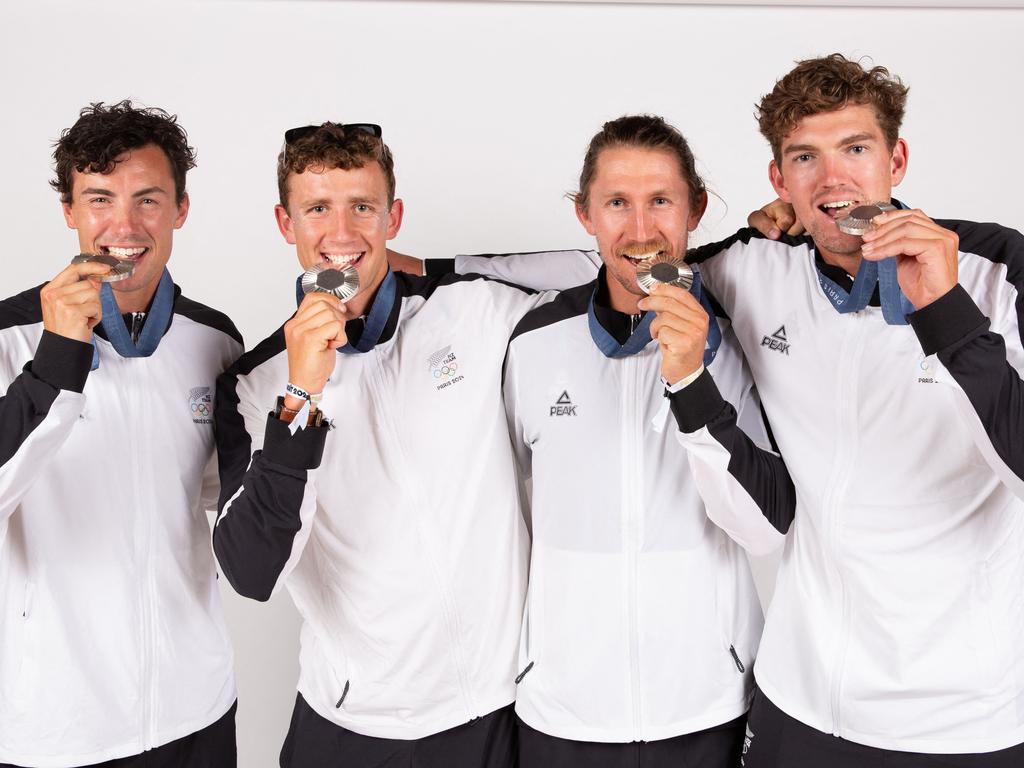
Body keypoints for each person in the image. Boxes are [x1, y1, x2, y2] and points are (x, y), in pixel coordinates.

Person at [472, 53, 1024, 766]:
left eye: (855, 149)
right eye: (805, 158)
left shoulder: (997, 268)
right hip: (800, 700)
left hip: (963, 715)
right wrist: (402, 269)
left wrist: (948, 313)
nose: (832, 179)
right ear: (779, 180)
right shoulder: (751, 266)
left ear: (897, 157)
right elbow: (624, 261)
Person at [212, 123, 554, 768]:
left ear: (392, 217)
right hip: (351, 721)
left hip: (498, 704)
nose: (342, 235)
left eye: (362, 207)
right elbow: (251, 572)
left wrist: (435, 269)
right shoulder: (254, 387)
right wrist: (302, 393)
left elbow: (603, 269)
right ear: (287, 224)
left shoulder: (474, 310)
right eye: (318, 209)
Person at [502, 114, 790, 768]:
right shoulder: (532, 342)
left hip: (707, 705)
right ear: (586, 215)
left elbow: (765, 529)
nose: (640, 229)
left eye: (660, 200)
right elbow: (501, 504)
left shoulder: (738, 332)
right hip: (561, 710)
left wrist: (692, 379)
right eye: (617, 203)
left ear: (695, 208)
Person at [0, 102, 241, 767]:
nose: (124, 225)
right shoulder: (7, 338)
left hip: (197, 705)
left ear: (180, 211)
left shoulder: (215, 340)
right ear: (70, 210)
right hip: (60, 722)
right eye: (100, 198)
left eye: (149, 200)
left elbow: (227, 502)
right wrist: (54, 362)